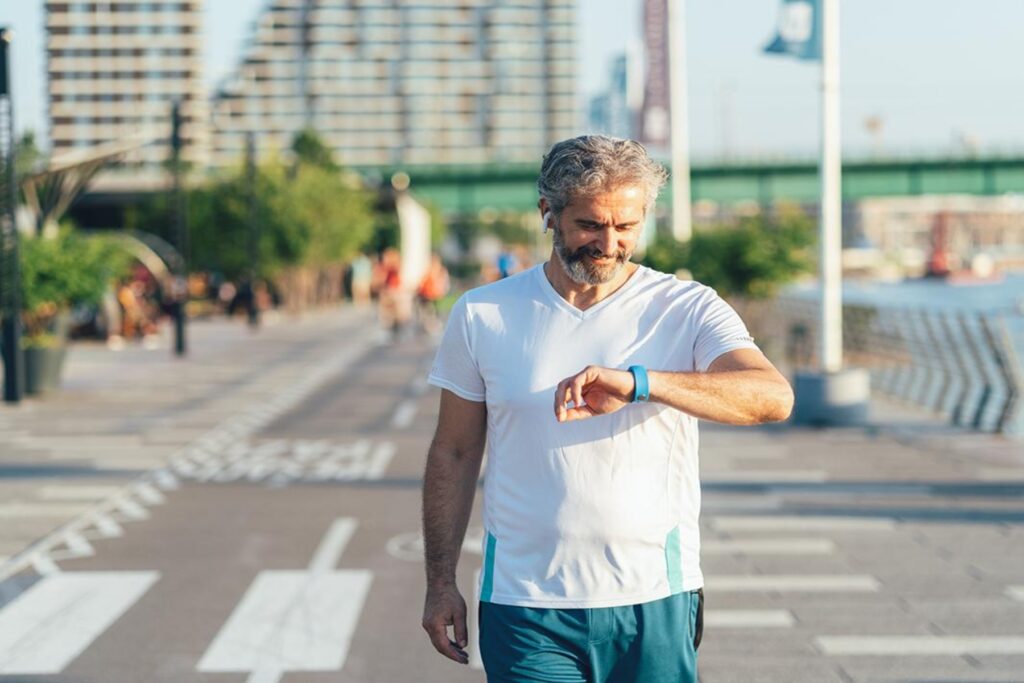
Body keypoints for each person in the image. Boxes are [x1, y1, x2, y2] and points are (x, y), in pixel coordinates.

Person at [421, 135, 794, 683]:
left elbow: (772, 397)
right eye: (590, 225)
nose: (609, 243)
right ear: (548, 213)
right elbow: (453, 452)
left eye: (626, 227)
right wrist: (440, 582)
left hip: (654, 596)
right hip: (525, 602)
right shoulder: (484, 313)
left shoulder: (686, 307)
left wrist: (641, 384)